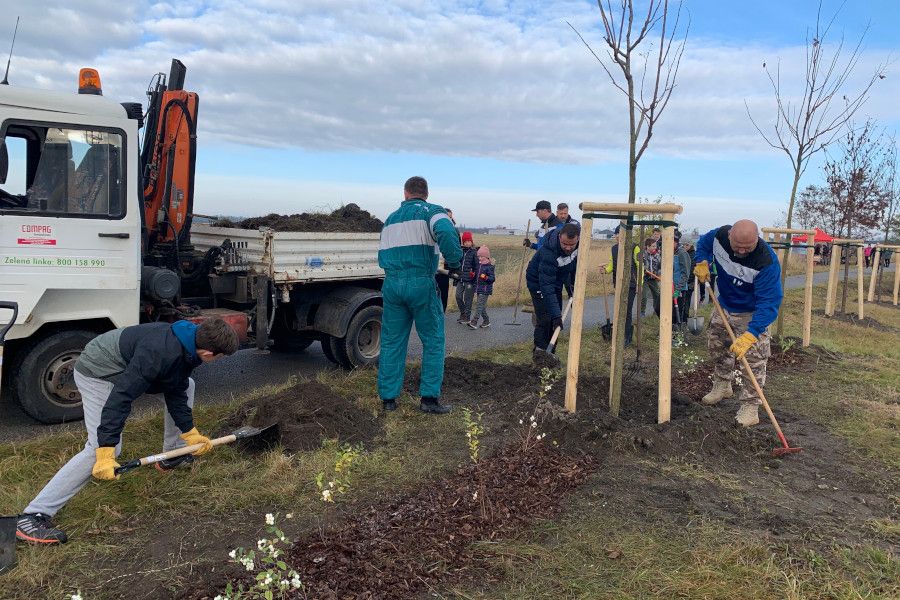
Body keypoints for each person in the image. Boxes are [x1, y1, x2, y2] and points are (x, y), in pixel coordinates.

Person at [16, 318, 240, 544]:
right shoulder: (159, 353)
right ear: (210, 354)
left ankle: (173, 454)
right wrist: (106, 450)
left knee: (187, 385)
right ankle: (33, 515)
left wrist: (189, 432)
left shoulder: (188, 343)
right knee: (99, 449)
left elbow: (176, 387)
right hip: (97, 372)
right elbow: (120, 399)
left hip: (126, 365)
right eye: (220, 357)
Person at [378, 176, 462, 414]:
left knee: (393, 341)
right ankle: (428, 399)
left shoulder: (390, 220)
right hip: (421, 283)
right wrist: (454, 263)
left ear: (405, 193)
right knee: (433, 340)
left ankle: (388, 400)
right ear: (426, 193)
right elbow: (446, 231)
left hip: (392, 284)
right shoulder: (432, 212)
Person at [693, 219, 783, 427]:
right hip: (724, 305)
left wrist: (753, 333)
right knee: (717, 346)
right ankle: (722, 385)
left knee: (753, 360)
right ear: (730, 235)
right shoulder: (719, 236)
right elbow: (704, 245)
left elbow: (769, 303)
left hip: (751, 314)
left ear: (757, 239)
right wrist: (702, 261)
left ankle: (751, 407)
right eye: (737, 246)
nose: (742, 251)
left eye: (748, 247)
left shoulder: (766, 262)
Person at [526, 223, 580, 361]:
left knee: (556, 320)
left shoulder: (579, 248)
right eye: (564, 244)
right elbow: (547, 286)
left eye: (571, 245)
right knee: (546, 318)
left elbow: (572, 269)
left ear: (578, 239)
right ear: (559, 237)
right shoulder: (549, 252)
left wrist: (571, 290)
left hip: (556, 281)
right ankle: (539, 353)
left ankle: (550, 353)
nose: (568, 248)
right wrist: (556, 316)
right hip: (538, 282)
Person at [604, 225, 641, 345]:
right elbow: (611, 265)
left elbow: (640, 266)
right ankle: (619, 334)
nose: (616, 236)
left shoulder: (635, 247)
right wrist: (605, 270)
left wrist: (639, 284)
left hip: (631, 284)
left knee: (627, 310)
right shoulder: (614, 248)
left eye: (618, 234)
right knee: (620, 309)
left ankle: (627, 337)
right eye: (616, 234)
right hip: (618, 283)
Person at [434, 208, 458, 312]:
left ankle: (442, 311)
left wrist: (455, 266)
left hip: (445, 268)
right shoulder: (434, 228)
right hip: (433, 266)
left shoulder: (453, 231)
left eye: (450, 217)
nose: (449, 219)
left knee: (443, 291)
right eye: (447, 216)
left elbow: (456, 249)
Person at [468, 246, 496, 329]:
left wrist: (486, 277)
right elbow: (476, 277)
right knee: (482, 306)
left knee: (479, 305)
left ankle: (474, 321)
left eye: (481, 256)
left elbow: (492, 279)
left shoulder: (489, 267)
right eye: (478, 256)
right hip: (479, 288)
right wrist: (473, 275)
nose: (479, 258)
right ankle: (486, 321)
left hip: (485, 289)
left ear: (486, 257)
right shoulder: (479, 266)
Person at [455, 231, 478, 324]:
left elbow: (477, 266)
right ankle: (463, 313)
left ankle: (467, 317)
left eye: (469, 241)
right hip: (460, 279)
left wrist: (474, 274)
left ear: (472, 242)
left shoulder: (474, 252)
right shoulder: (460, 251)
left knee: (468, 299)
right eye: (466, 241)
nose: (468, 243)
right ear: (463, 242)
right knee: (458, 296)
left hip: (470, 280)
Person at [673, 232, 691, 329]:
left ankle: (677, 333)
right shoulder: (668, 252)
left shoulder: (682, 253)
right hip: (669, 287)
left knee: (677, 312)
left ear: (676, 243)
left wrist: (678, 289)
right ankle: (669, 329)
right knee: (659, 308)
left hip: (679, 289)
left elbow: (685, 274)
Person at [641, 237, 662, 317]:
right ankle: (642, 312)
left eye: (655, 246)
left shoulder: (657, 255)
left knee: (657, 295)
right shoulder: (642, 254)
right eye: (653, 246)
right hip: (645, 278)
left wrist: (658, 275)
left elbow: (660, 267)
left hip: (654, 278)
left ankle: (656, 311)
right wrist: (644, 270)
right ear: (647, 246)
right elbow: (640, 265)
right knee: (644, 296)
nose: (654, 248)